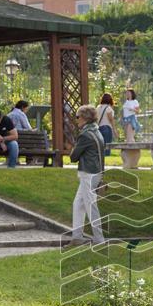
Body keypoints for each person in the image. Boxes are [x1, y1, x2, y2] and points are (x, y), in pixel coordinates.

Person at [69, 104, 105, 246]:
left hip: (88, 174)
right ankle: (77, 237)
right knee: (78, 204)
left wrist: (73, 148)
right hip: (95, 173)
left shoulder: (84, 135)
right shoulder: (97, 131)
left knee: (91, 206)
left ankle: (99, 239)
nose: (76, 120)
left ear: (84, 118)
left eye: (77, 117)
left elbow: (73, 157)